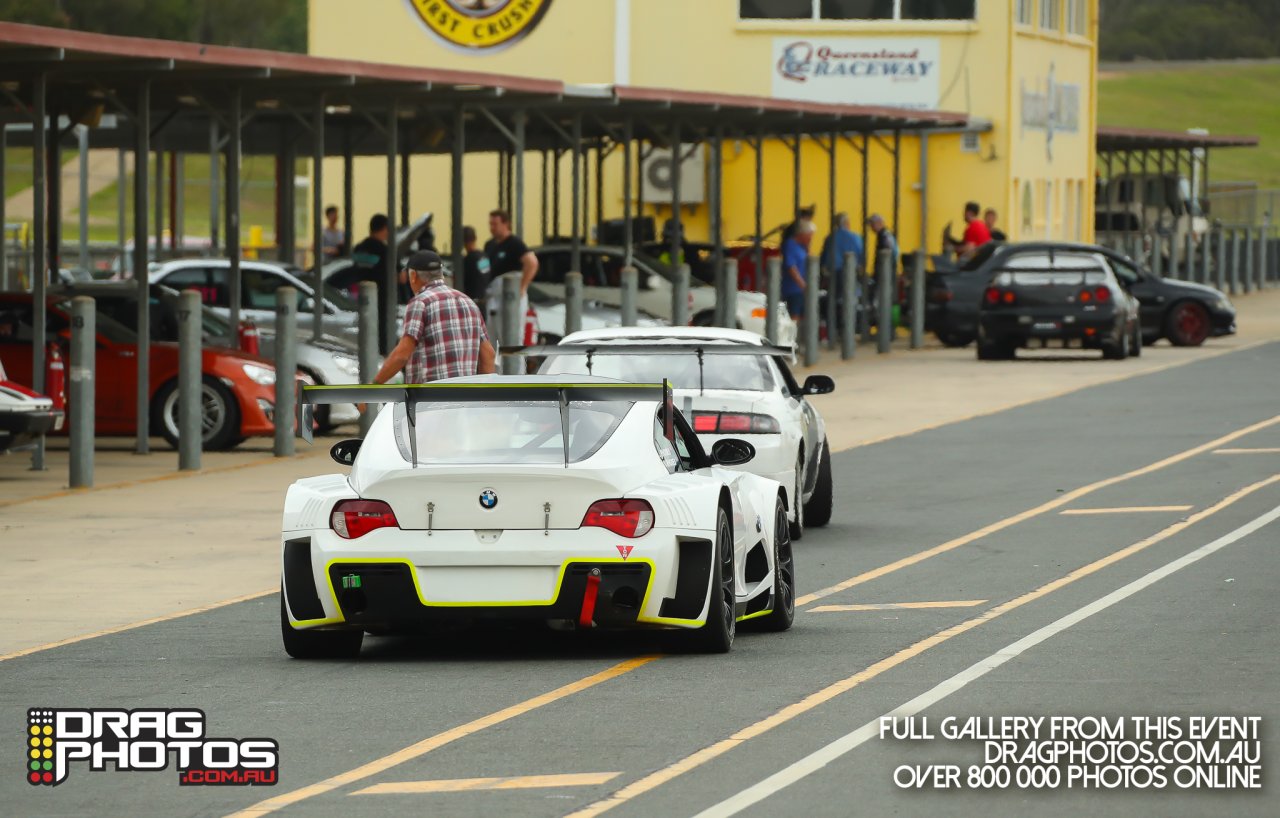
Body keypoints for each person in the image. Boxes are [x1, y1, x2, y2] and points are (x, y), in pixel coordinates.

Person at [373, 250, 496, 385]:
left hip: (429, 401)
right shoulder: (468, 302)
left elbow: (402, 354)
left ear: (413, 276)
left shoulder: (420, 303)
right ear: (441, 274)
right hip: (464, 401)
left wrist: (373, 387)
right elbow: (488, 355)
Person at [483, 209, 538, 342]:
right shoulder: (490, 245)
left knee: (510, 336)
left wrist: (522, 287)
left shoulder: (514, 243)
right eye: (490, 224)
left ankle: (513, 363)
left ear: (505, 224)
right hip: (494, 296)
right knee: (493, 335)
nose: (492, 228)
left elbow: (532, 263)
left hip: (509, 296)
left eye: (495, 224)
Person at [780, 220, 814, 321]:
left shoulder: (803, 247)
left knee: (804, 316)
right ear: (802, 234)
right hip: (794, 289)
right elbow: (791, 267)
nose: (811, 238)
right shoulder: (790, 245)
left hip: (802, 289)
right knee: (794, 317)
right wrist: (802, 284)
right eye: (809, 235)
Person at [350, 214, 390, 280]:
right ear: (384, 228)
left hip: (359, 287)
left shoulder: (358, 248)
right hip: (380, 288)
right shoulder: (384, 250)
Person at [461, 226, 491, 304]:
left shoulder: (468, 259)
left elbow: (460, 281)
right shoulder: (484, 256)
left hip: (471, 301)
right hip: (484, 300)